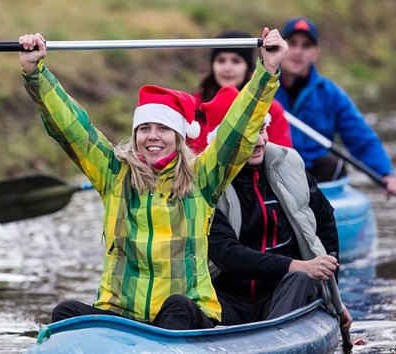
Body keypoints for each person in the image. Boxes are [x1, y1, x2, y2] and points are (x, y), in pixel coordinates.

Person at [18, 28, 287, 330]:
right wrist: (35, 73)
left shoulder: (203, 178)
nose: (153, 137)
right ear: (135, 136)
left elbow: (237, 131)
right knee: (65, 313)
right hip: (122, 315)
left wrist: (267, 70)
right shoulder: (113, 174)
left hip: (185, 314)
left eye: (163, 129)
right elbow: (73, 129)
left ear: (178, 137)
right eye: (144, 129)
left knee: (177, 307)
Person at [193, 85, 352, 330]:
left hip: (284, 292)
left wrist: (334, 297)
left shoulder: (289, 165)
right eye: (248, 134)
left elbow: (325, 221)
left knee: (301, 279)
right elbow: (226, 253)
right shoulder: (205, 183)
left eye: (262, 129)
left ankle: (275, 335)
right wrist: (297, 265)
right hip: (225, 299)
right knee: (180, 304)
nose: (259, 141)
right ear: (223, 141)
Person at [275, 17, 396, 197]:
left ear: (315, 53)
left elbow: (361, 138)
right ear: (280, 47)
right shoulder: (261, 87)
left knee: (333, 166)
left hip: (315, 176)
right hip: (273, 172)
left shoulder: (331, 94)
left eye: (306, 46)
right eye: (292, 43)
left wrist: (387, 174)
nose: (298, 51)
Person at [188, 30, 292, 154]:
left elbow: (281, 155)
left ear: (248, 67)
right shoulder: (191, 106)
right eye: (221, 60)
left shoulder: (271, 109)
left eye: (236, 61)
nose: (227, 68)